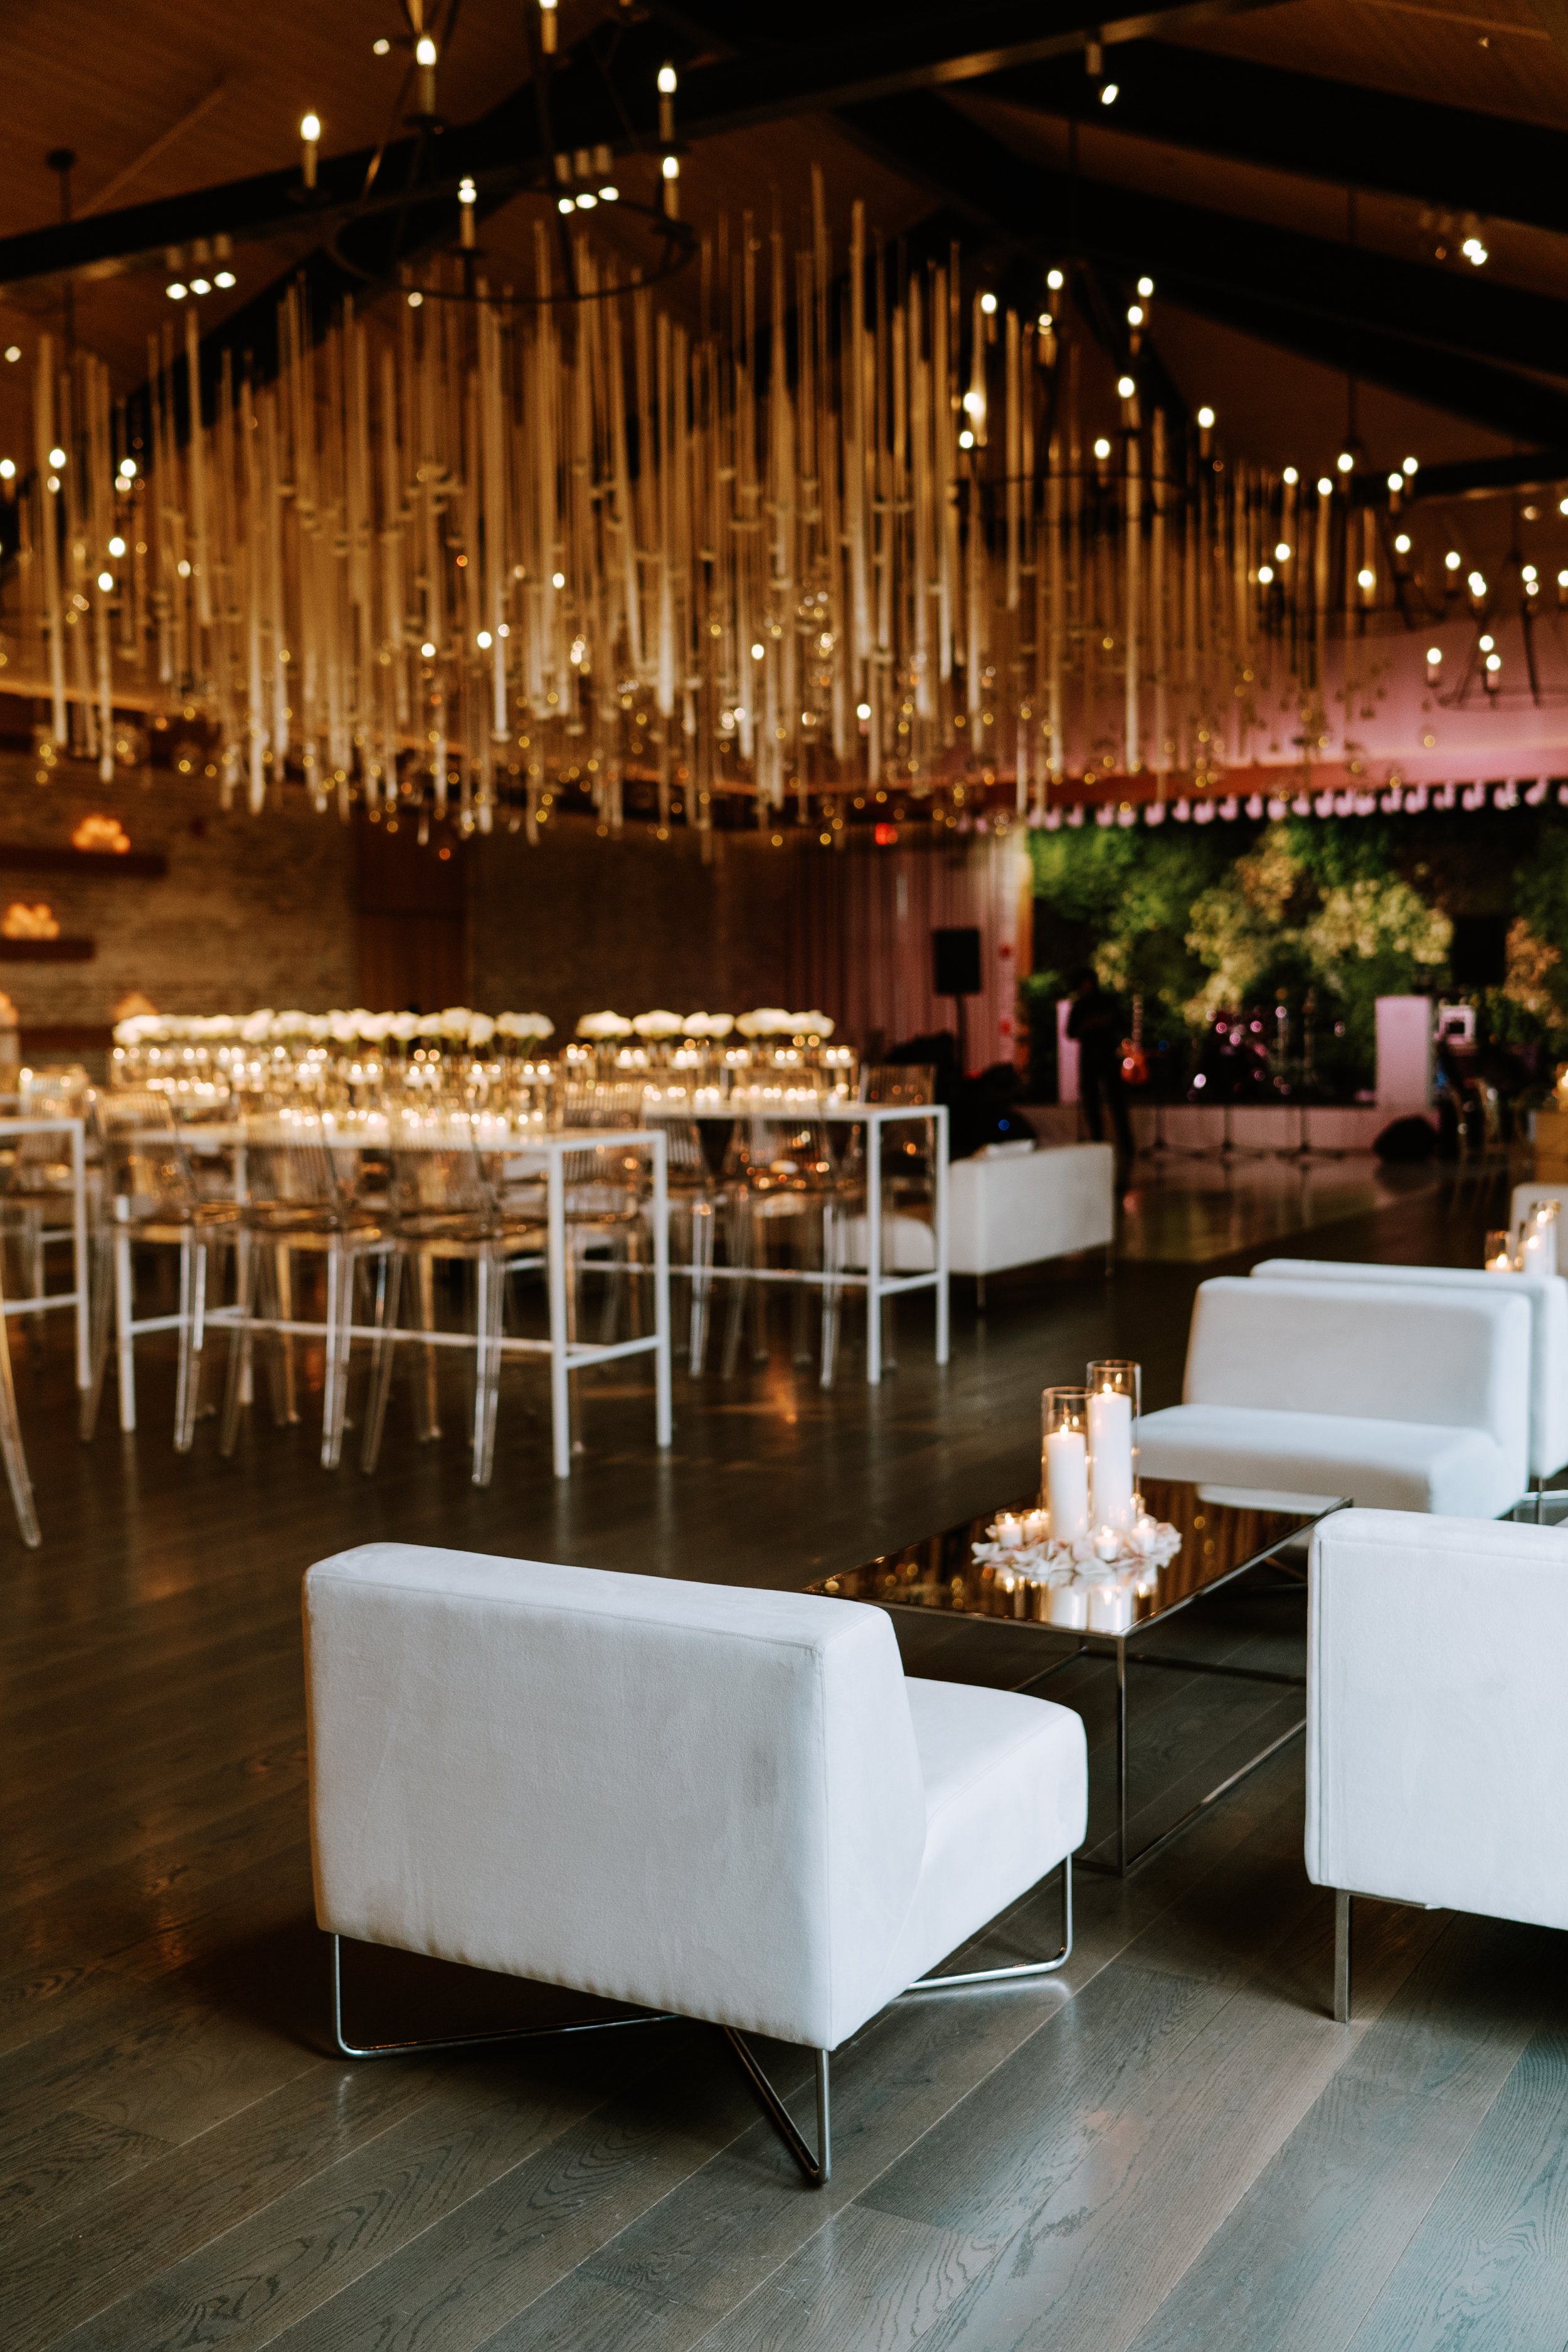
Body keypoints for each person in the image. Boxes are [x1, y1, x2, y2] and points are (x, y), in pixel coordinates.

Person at [1066, 969, 1134, 1158]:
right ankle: (1098, 1143)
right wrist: (1086, 1026)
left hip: (1107, 1057)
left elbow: (1121, 1024)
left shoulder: (1107, 1002)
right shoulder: (1079, 1006)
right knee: (1092, 1103)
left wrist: (1104, 1023)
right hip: (1089, 1059)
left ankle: (1126, 1145)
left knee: (1116, 1102)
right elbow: (1070, 1032)